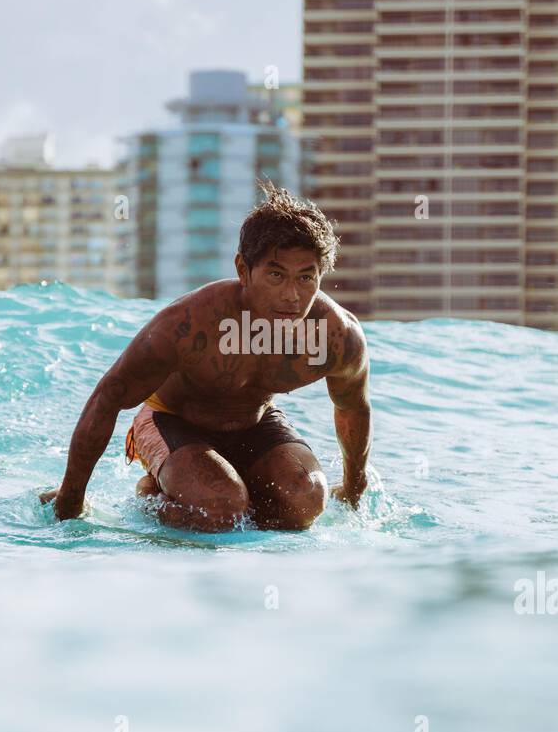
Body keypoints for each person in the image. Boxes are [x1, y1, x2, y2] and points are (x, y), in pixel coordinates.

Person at [41, 184, 371, 532]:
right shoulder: (190, 323)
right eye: (276, 275)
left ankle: (232, 489)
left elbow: (353, 407)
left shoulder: (337, 336)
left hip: (255, 421)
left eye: (306, 277)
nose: (292, 295)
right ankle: (153, 497)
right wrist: (70, 502)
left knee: (305, 501)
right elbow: (107, 397)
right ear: (243, 270)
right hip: (171, 418)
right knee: (220, 511)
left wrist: (352, 491)